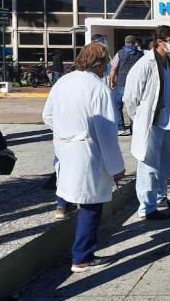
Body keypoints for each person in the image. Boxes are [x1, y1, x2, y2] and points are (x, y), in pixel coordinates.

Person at [42, 42, 126, 273]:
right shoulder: (97, 87)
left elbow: (47, 115)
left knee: (71, 190)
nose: (107, 67)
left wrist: (64, 130)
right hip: (86, 151)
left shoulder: (63, 81)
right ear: (99, 64)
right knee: (90, 205)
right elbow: (106, 131)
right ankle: (82, 257)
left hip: (65, 146)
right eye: (106, 63)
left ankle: (64, 212)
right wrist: (116, 167)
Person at [124, 25, 170, 221]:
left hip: (168, 121)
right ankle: (147, 207)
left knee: (165, 163)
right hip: (151, 123)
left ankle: (161, 198)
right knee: (149, 166)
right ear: (159, 41)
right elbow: (130, 98)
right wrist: (140, 119)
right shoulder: (145, 64)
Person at [108, 35, 144, 136]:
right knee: (134, 106)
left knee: (118, 105)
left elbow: (113, 69)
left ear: (125, 42)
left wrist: (112, 81)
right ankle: (134, 127)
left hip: (121, 82)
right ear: (134, 43)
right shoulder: (141, 54)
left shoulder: (120, 53)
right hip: (135, 85)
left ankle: (120, 127)